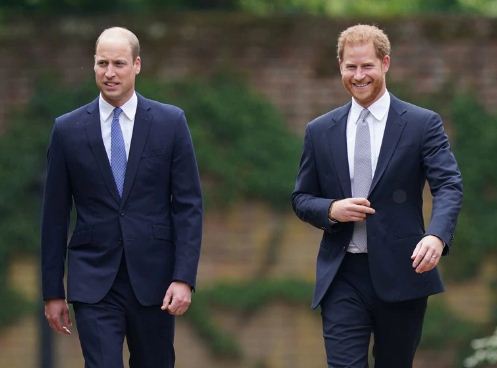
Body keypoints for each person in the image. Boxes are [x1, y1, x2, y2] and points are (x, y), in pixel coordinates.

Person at [291, 24, 462, 367]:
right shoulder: (320, 130)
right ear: (340, 67)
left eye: (367, 65)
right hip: (343, 274)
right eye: (350, 67)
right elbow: (301, 198)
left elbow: (448, 185)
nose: (358, 75)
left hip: (403, 270)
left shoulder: (421, 123)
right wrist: (332, 209)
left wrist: (437, 235)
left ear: (385, 63)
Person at [41, 27, 202, 368]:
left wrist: (183, 277)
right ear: (93, 65)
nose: (109, 72)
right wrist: (53, 291)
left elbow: (188, 206)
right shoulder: (67, 130)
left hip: (155, 281)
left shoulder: (170, 123)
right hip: (93, 279)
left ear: (137, 65)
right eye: (102, 63)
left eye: (119, 63)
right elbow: (54, 216)